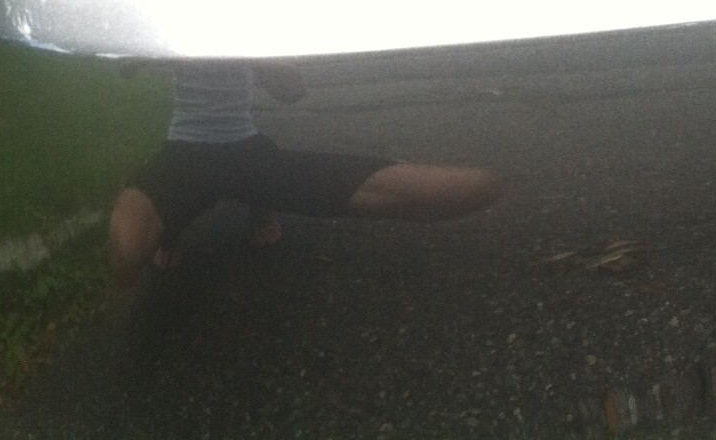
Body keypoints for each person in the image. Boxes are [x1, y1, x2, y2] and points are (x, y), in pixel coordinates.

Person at [108, 60, 502, 285]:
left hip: (248, 149)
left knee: (478, 187)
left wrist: (256, 53)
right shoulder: (169, 15)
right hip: (185, 150)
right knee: (126, 254)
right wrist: (159, 51)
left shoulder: (256, 20)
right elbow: (123, 67)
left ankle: (260, 205)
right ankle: (173, 224)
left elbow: (292, 92)